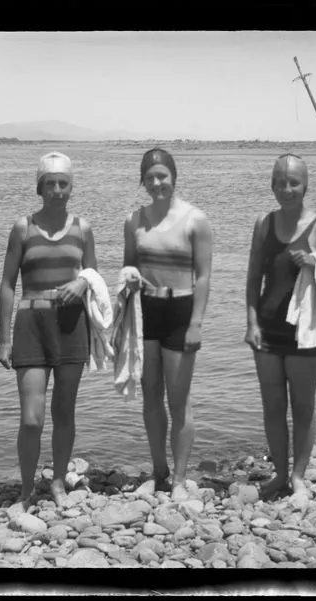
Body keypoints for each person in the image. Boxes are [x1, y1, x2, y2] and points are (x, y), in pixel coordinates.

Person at [0, 151, 98, 508]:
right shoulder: (22, 228)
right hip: (31, 325)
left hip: (72, 326)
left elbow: (94, 277)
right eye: (50, 184)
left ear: (71, 187)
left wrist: (83, 285)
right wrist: (4, 339)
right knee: (31, 418)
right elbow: (8, 283)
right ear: (39, 187)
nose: (57, 190)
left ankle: (57, 482)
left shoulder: (82, 228)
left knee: (64, 411)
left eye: (63, 184)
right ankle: (26, 488)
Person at [244, 153, 316, 501]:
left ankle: (299, 477)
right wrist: (251, 323)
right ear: (272, 185)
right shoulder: (263, 224)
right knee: (272, 407)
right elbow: (254, 277)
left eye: (294, 182)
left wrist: (314, 261)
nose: (287, 188)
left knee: (303, 406)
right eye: (281, 182)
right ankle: (280, 474)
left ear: (306, 185)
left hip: (307, 334)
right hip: (267, 332)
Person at [122, 147, 213, 501]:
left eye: (162, 176)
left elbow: (204, 277)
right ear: (142, 181)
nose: (157, 182)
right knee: (150, 398)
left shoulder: (195, 220)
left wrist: (196, 324)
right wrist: (127, 281)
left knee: (179, 401)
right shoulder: (134, 221)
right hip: (146, 313)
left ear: (174, 177)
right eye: (150, 177)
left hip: (180, 311)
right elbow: (130, 265)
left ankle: (178, 478)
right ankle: (158, 471)